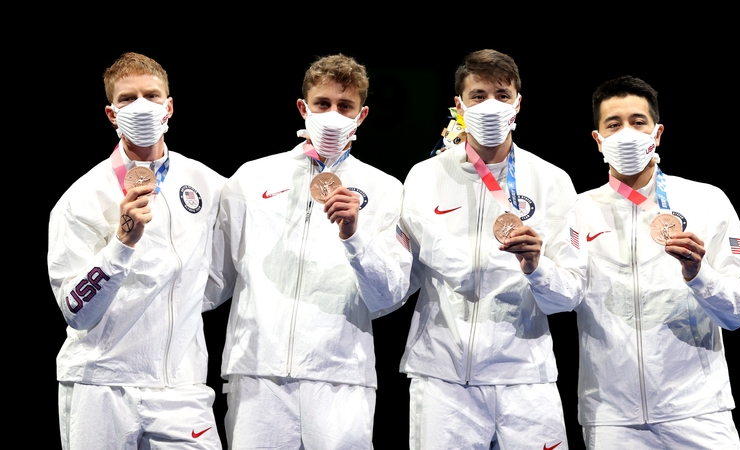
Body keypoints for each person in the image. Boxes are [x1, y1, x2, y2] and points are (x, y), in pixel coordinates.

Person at [204, 54, 411, 449]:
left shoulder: (386, 190)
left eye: (345, 106)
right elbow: (214, 281)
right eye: (323, 104)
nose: (333, 114)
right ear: (303, 108)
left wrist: (355, 236)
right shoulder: (251, 178)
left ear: (361, 115)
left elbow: (389, 296)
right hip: (257, 374)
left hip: (341, 378)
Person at [399, 49, 584, 449]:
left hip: (526, 380)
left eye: (502, 95)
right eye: (478, 95)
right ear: (459, 106)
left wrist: (537, 268)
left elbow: (570, 295)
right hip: (442, 379)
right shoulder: (424, 176)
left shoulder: (552, 181)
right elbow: (405, 280)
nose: (491, 106)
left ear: (518, 104)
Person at [571, 75, 740, 449]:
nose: (627, 132)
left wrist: (698, 275)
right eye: (614, 124)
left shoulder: (708, 201)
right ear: (598, 139)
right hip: (612, 419)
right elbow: (559, 298)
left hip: (698, 411)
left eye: (638, 122)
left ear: (656, 134)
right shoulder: (576, 210)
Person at [49, 52, 224, 449]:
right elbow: (75, 311)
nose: (142, 106)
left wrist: (188, 300)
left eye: (152, 95)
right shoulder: (81, 199)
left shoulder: (208, 184)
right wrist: (123, 242)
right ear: (112, 114)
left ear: (170, 106)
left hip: (182, 385)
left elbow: (222, 274)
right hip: (101, 383)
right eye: (128, 99)